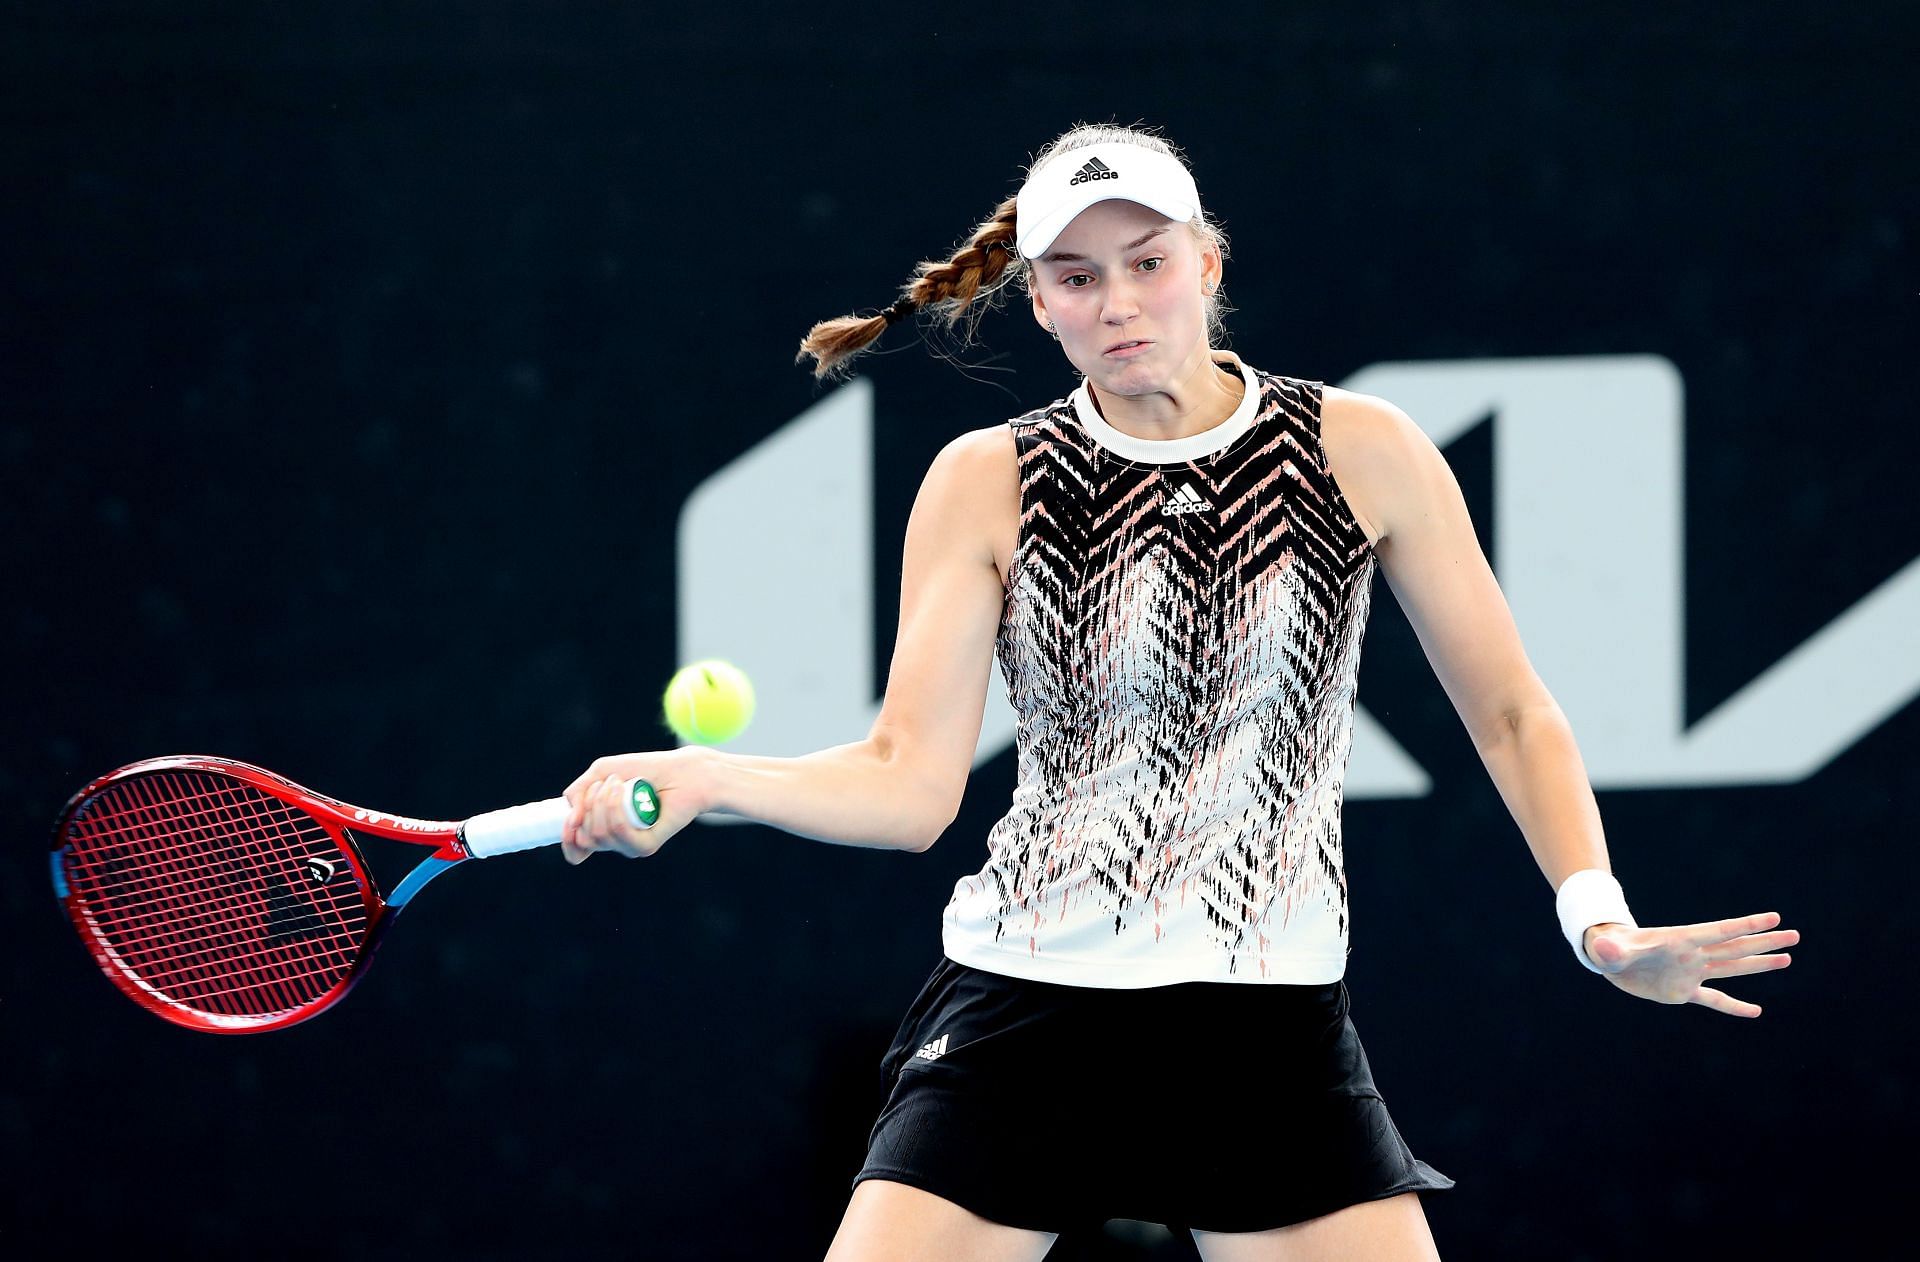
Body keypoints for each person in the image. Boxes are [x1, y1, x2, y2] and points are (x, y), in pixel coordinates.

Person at [557, 123, 1800, 1261]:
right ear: (1038, 302)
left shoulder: (1358, 450)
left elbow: (1514, 712)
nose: (1119, 302)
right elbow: (908, 785)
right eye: (1079, 277)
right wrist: (713, 778)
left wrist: (1598, 919)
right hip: (1027, 1011)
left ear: (1206, 263)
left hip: (1267, 1028)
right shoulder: (986, 478)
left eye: (1146, 261)